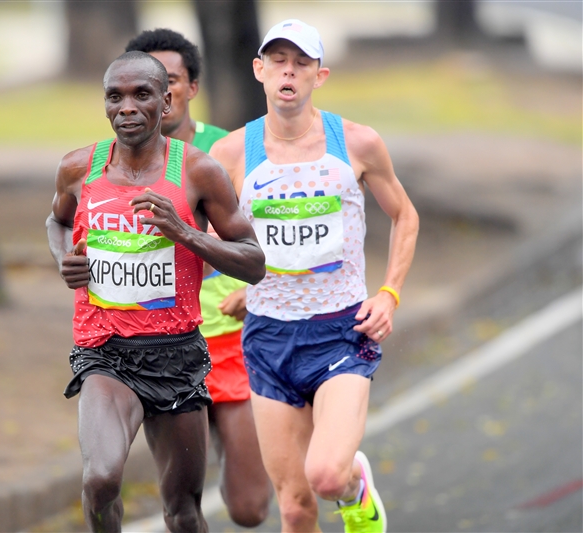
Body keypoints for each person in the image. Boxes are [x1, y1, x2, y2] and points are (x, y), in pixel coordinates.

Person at [210, 19, 419, 533]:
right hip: (267, 335)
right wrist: (245, 283)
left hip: (340, 332)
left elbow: (405, 217)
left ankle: (355, 489)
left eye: (301, 63)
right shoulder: (233, 154)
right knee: (296, 505)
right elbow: (212, 238)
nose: (289, 71)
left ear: (319, 76)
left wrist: (389, 294)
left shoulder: (357, 143)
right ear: (259, 70)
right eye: (278, 61)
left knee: (325, 476)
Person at [46, 50, 266, 533]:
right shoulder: (78, 168)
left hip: (176, 356)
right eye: (115, 96)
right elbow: (57, 222)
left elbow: (253, 262)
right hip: (104, 351)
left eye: (141, 95)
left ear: (166, 102)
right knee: (100, 479)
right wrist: (66, 257)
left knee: (182, 512)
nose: (127, 107)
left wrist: (186, 233)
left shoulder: (198, 171)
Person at [125, 28, 271, 527]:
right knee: (181, 507)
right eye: (146, 81)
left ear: (191, 87)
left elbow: (268, 237)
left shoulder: (225, 153)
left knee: (250, 508)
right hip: (160, 346)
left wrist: (260, 293)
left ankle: (231, 442)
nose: (160, 94)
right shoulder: (110, 162)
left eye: (171, 81)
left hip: (230, 340)